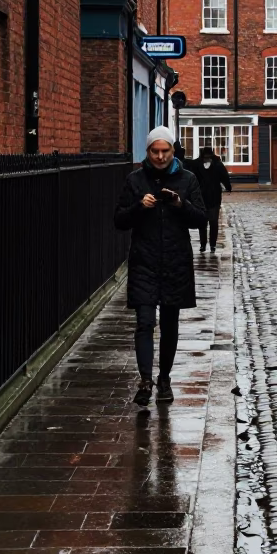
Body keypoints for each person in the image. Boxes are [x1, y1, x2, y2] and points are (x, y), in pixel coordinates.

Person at [114, 126, 208, 407]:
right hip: (144, 261)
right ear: (148, 152)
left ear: (172, 151)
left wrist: (180, 203)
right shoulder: (135, 180)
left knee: (169, 324)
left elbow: (200, 219)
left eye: (164, 151)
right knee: (144, 323)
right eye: (154, 151)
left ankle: (164, 378)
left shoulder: (188, 179)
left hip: (176, 262)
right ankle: (145, 380)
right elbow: (119, 220)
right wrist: (139, 207)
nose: (159, 156)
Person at [188, 145, 232, 253]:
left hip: (206, 197)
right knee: (212, 222)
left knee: (205, 222)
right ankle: (211, 245)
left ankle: (206, 245)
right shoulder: (217, 164)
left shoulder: (198, 164)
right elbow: (225, 177)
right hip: (211, 197)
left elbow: (191, 179)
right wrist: (228, 187)